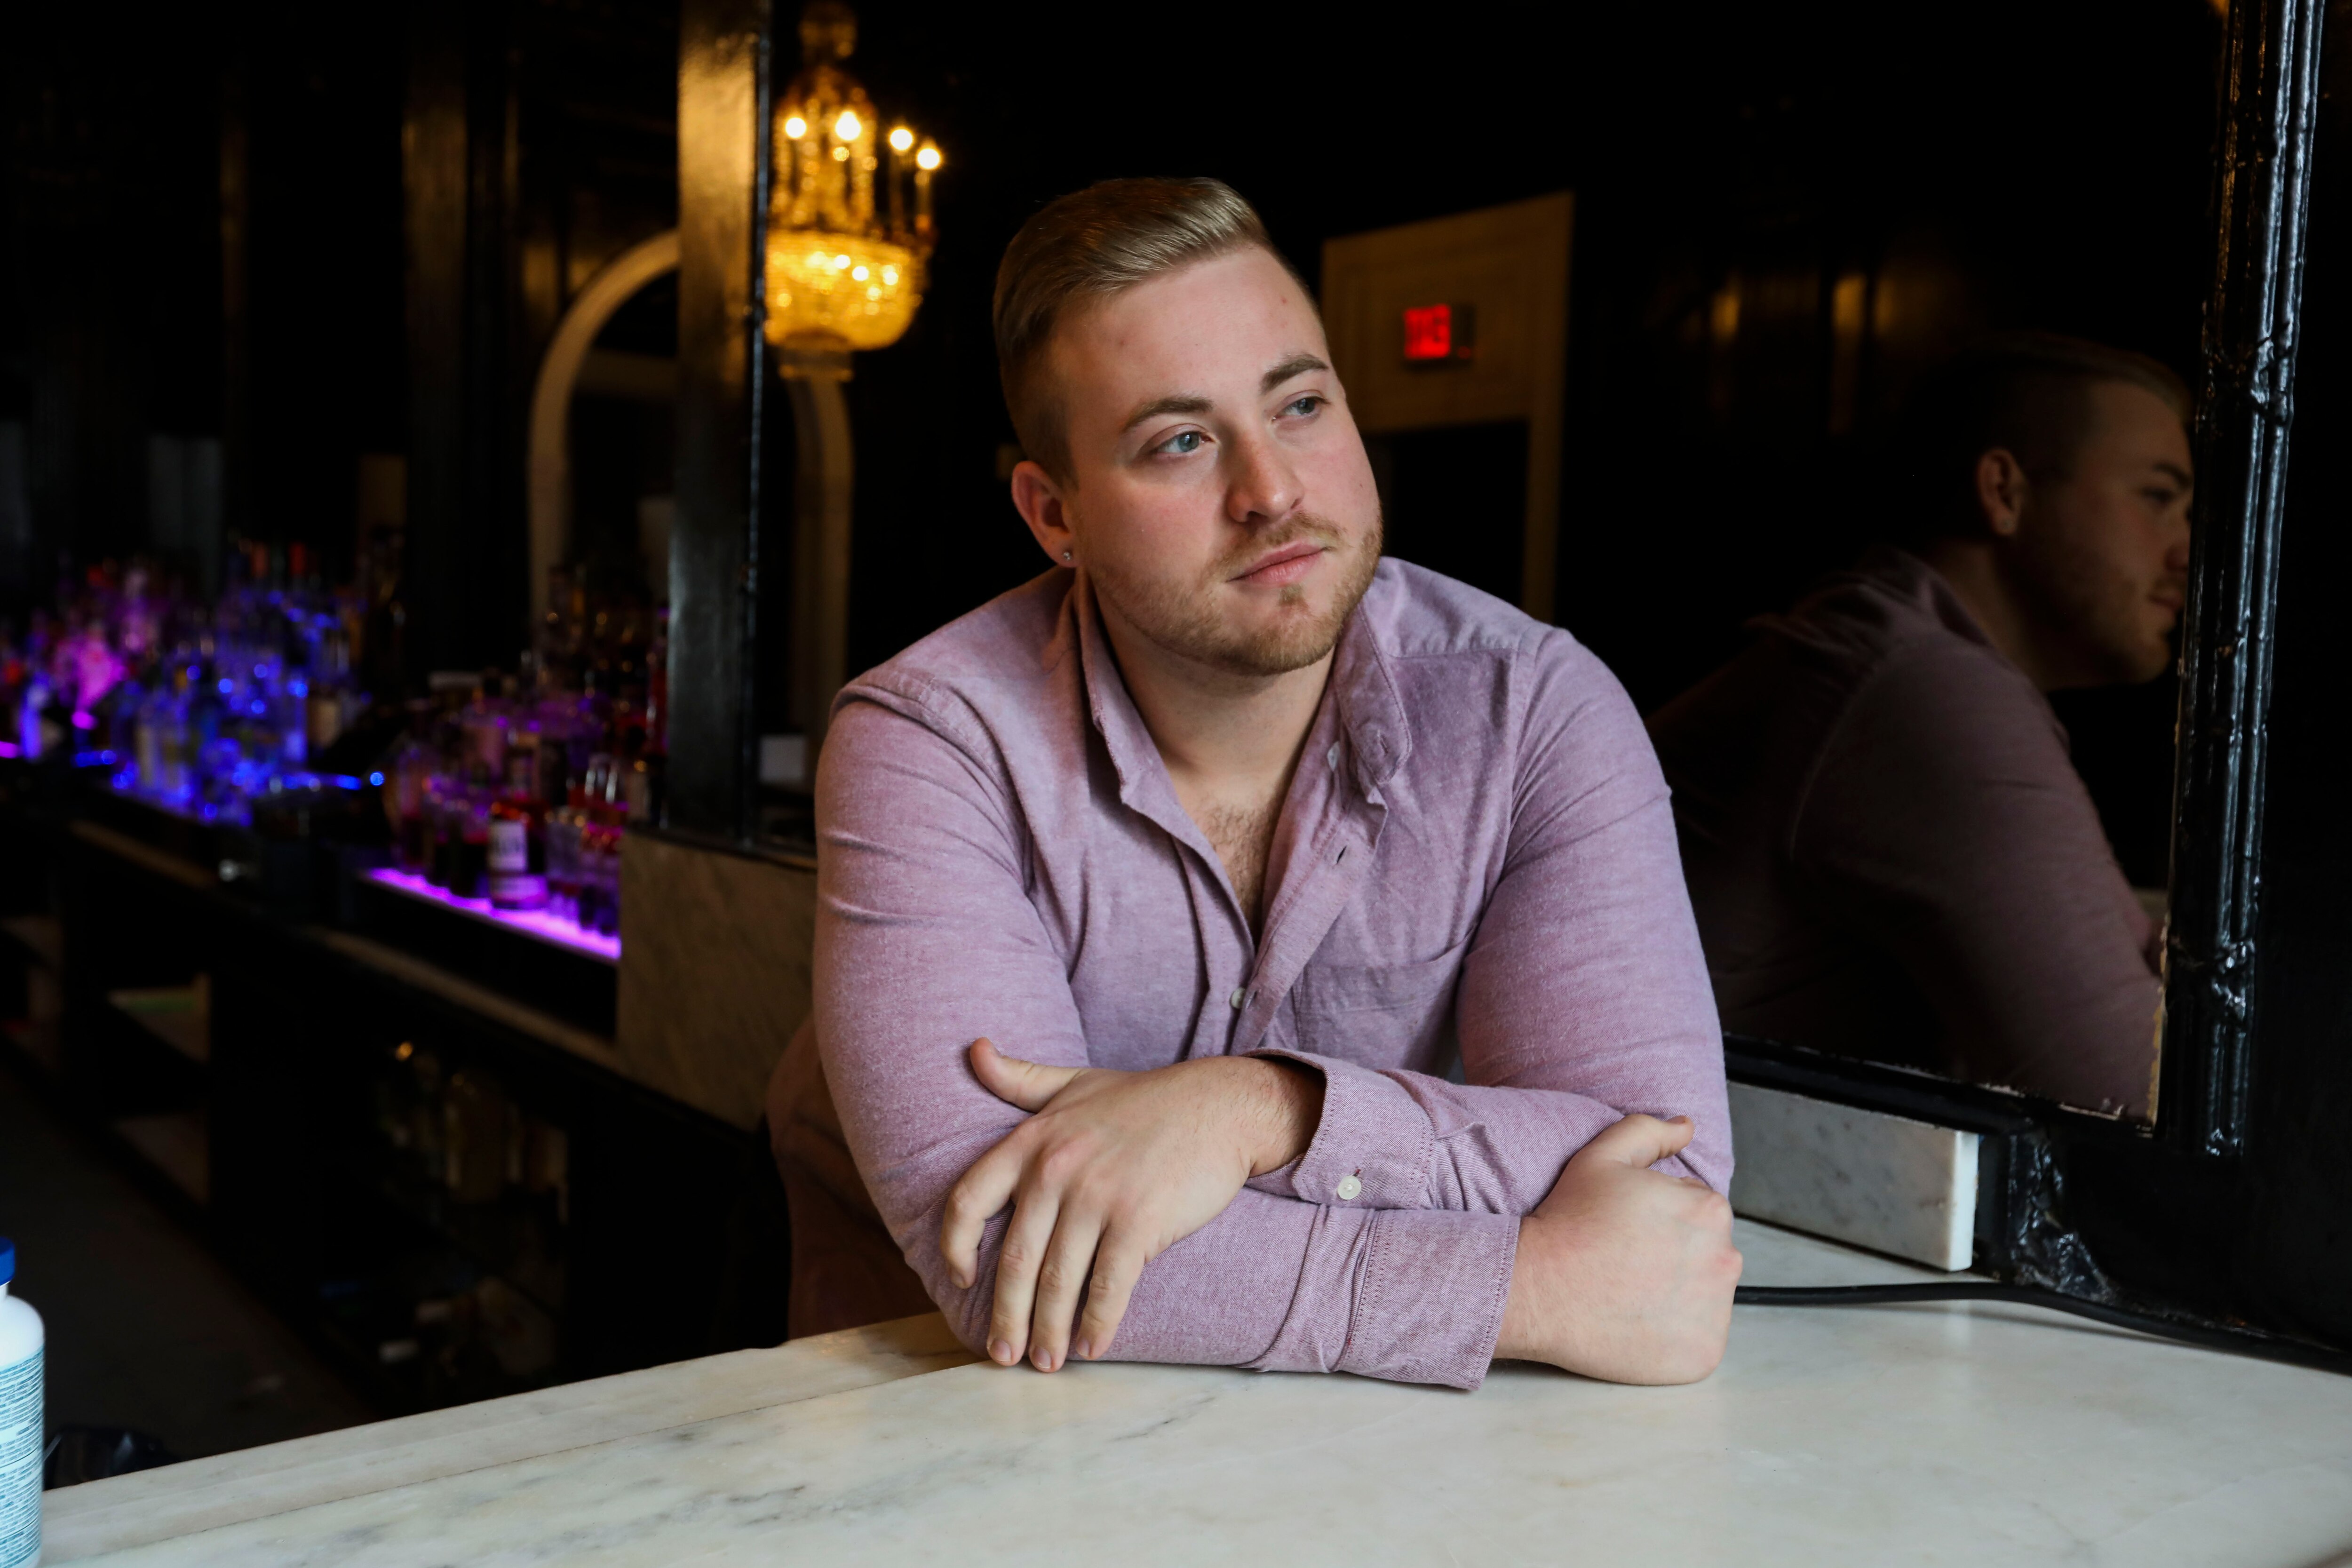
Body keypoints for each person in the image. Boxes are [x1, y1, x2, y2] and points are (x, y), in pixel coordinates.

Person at [768, 177, 1738, 1392]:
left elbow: (1661, 1181)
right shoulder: (931, 740)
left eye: (1300, 403)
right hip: (950, 1432)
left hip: (1357, 1468)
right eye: (1180, 439)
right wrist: (1532, 1284)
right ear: (1053, 513)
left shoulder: (1534, 712)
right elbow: (1011, 1251)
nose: (1271, 489)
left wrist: (1252, 1112)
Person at [1647, 335, 2192, 1120]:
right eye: (2157, 496)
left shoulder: (1912, 654)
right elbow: (2133, 1098)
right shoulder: (1916, 685)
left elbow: (2136, 949)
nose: (2185, 551)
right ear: (2004, 491)